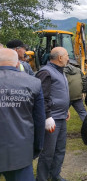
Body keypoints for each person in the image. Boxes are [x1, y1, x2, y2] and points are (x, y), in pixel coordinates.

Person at [0, 48, 45, 181]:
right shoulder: (33, 82)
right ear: (17, 63)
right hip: (20, 150)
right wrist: (37, 147)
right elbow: (39, 121)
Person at [35, 47, 70, 181]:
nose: (68, 58)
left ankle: (55, 175)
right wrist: (48, 116)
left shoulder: (60, 71)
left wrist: (65, 108)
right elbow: (42, 97)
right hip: (52, 119)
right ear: (60, 58)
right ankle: (42, 178)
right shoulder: (46, 72)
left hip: (61, 116)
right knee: (48, 152)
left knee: (60, 149)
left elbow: (58, 94)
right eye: (66, 55)